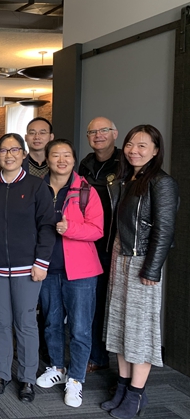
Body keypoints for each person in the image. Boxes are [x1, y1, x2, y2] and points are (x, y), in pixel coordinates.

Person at [101, 125, 178, 419]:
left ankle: (136, 394)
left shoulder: (162, 182)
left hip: (141, 263)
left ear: (156, 151)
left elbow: (165, 229)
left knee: (139, 332)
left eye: (143, 146)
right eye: (131, 144)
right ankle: (122, 387)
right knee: (120, 327)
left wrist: (152, 269)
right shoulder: (127, 179)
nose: (134, 151)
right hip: (120, 259)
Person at [0, 133, 55, 403]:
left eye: (14, 150)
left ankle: (27, 377)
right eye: (3, 150)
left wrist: (41, 262)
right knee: (0, 321)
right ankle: (2, 373)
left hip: (27, 268)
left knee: (26, 323)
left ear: (23, 154)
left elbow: (47, 227)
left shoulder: (36, 186)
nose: (8, 155)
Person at [36, 139, 104, 408]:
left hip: (81, 272)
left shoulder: (86, 190)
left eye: (67, 155)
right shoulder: (37, 188)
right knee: (51, 322)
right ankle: (57, 367)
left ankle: (75, 379)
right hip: (47, 267)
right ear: (47, 159)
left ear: (74, 160)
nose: (61, 160)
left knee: (80, 327)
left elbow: (97, 230)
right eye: (56, 155)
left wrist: (70, 229)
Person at [78, 116, 120, 373]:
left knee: (111, 303)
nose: (98, 135)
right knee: (91, 302)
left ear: (115, 133)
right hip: (88, 243)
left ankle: (109, 358)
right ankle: (96, 355)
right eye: (92, 132)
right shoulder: (85, 164)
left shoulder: (125, 163)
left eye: (103, 130)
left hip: (115, 243)